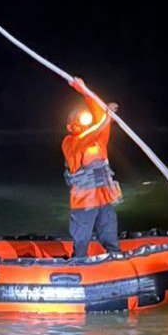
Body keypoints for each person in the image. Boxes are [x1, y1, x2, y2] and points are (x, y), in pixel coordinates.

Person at [61, 78, 122, 258]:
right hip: (84, 201)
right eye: (78, 121)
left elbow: (98, 114)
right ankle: (79, 262)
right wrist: (106, 117)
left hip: (104, 196)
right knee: (82, 237)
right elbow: (93, 131)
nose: (82, 124)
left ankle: (115, 257)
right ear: (69, 126)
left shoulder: (98, 140)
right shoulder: (70, 143)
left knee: (109, 230)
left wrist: (84, 91)